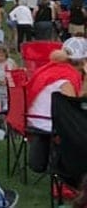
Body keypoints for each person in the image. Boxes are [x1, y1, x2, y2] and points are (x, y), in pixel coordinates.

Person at [25, 37, 87, 172]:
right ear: (83, 62)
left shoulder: (52, 68)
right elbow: (73, 106)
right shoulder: (67, 77)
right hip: (48, 123)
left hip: (34, 119)